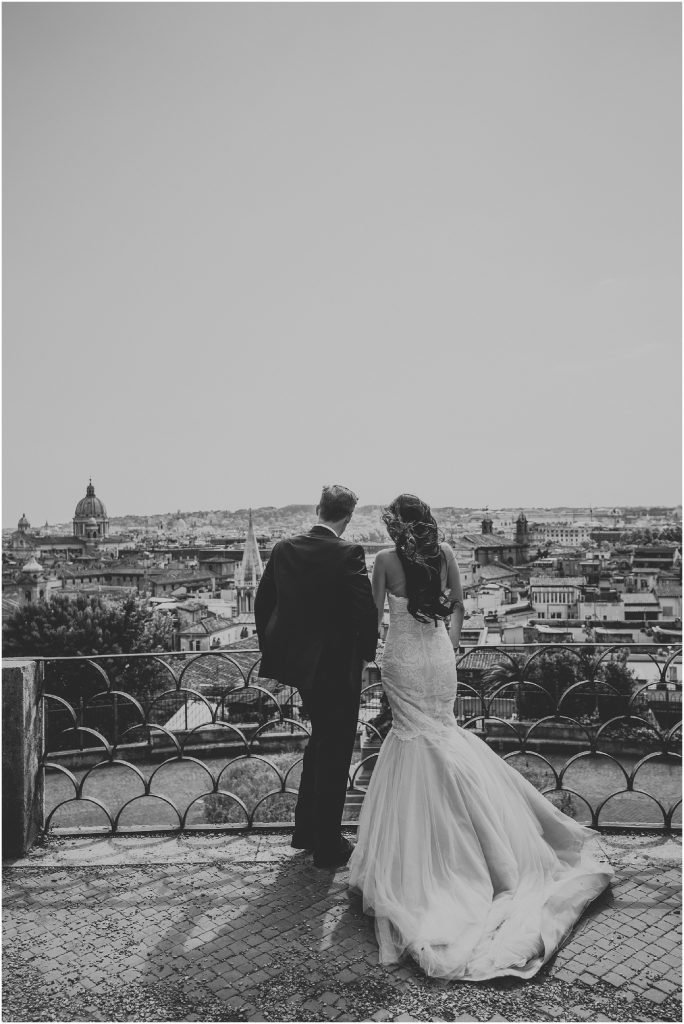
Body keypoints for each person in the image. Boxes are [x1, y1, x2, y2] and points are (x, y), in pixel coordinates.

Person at [348, 494, 613, 981]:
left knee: (411, 740)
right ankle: (483, 844)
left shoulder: (384, 560)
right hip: (438, 656)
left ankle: (419, 852)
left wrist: (373, 654)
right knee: (444, 736)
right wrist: (446, 645)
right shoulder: (446, 553)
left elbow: (371, 619)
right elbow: (460, 607)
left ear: (395, 525)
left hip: (402, 658)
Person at [254, 484, 378, 869]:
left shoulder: (284, 548)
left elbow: (263, 603)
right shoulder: (348, 552)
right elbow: (365, 611)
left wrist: (276, 651)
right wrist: (367, 656)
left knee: (320, 741)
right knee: (335, 750)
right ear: (348, 517)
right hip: (338, 669)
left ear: (318, 509)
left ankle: (306, 830)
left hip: (300, 668)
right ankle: (327, 845)